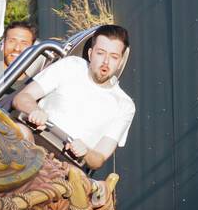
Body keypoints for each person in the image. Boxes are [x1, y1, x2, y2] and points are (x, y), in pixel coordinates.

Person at [11, 24, 135, 171]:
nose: (106, 62)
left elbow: (99, 158)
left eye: (114, 57)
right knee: (19, 132)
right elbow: (22, 97)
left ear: (120, 62)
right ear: (90, 54)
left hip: (69, 165)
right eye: (100, 53)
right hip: (35, 140)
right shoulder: (70, 66)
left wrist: (86, 152)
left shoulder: (124, 105)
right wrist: (34, 110)